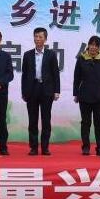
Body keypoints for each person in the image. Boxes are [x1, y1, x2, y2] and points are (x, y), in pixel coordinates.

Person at [21, 27, 60, 156]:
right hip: (32, 89)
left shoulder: (51, 54)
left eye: (40, 37)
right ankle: (33, 147)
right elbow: (24, 75)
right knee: (32, 120)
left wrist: (57, 91)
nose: (37, 39)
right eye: (36, 36)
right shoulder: (27, 55)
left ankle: (45, 147)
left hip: (47, 90)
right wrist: (24, 91)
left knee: (46, 119)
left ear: (45, 39)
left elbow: (55, 74)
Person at [73, 35, 100, 156]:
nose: (93, 47)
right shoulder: (82, 59)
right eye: (91, 44)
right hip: (84, 95)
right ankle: (85, 147)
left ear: (99, 47)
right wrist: (76, 93)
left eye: (96, 45)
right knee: (85, 123)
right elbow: (76, 78)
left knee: (99, 123)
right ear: (88, 45)